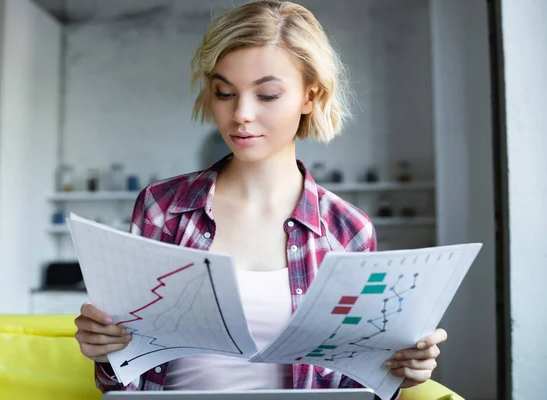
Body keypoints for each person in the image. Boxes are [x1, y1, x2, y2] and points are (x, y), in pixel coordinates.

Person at [73, 0, 447, 396]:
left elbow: (356, 380)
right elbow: (123, 373)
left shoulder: (348, 231)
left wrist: (396, 372)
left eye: (267, 94)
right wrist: (105, 352)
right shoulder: (163, 208)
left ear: (309, 96)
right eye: (224, 92)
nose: (241, 114)